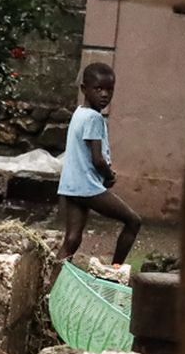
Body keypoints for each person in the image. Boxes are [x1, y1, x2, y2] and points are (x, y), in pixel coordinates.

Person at [57, 62, 142, 270]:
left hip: (70, 186)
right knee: (133, 221)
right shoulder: (95, 118)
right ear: (84, 89)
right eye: (98, 89)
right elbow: (97, 159)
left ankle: (51, 287)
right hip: (87, 187)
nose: (104, 94)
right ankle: (114, 271)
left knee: (72, 240)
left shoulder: (79, 113)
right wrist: (109, 175)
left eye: (109, 90)